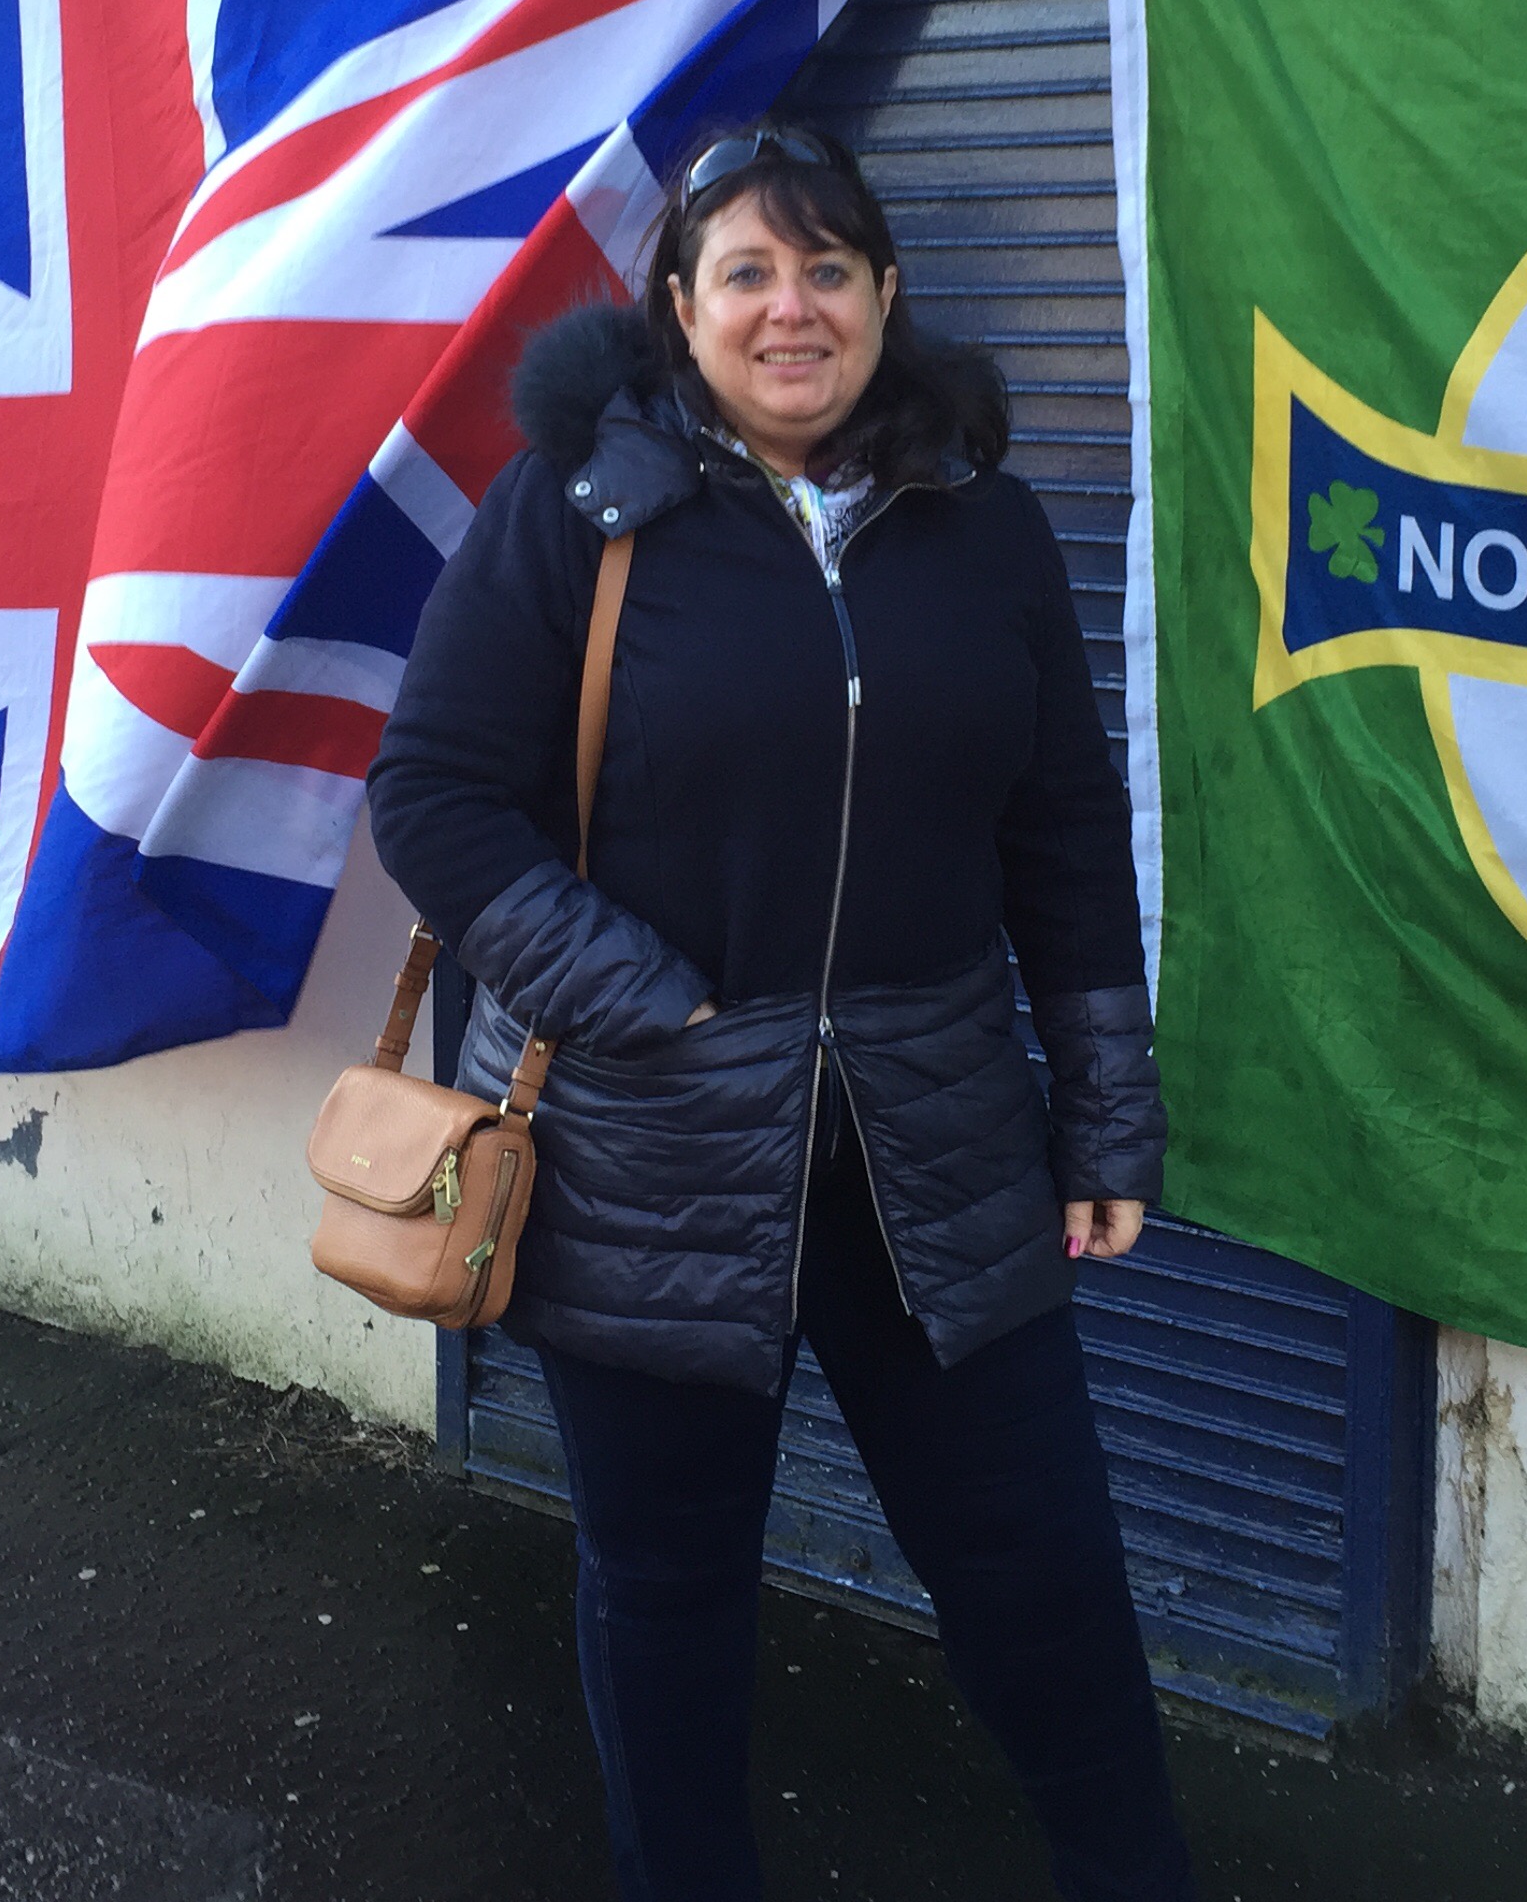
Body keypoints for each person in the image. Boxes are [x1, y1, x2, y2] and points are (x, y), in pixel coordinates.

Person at [365, 120, 1193, 1901]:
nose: (790, 308)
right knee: (667, 1592)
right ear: (681, 307)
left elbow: (1063, 830)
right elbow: (434, 796)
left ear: (886, 294)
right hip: (645, 1153)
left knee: (1044, 1575)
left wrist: (1108, 1113)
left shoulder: (981, 523)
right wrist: (642, 1001)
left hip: (936, 1148)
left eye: (827, 268)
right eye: (746, 270)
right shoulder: (573, 516)